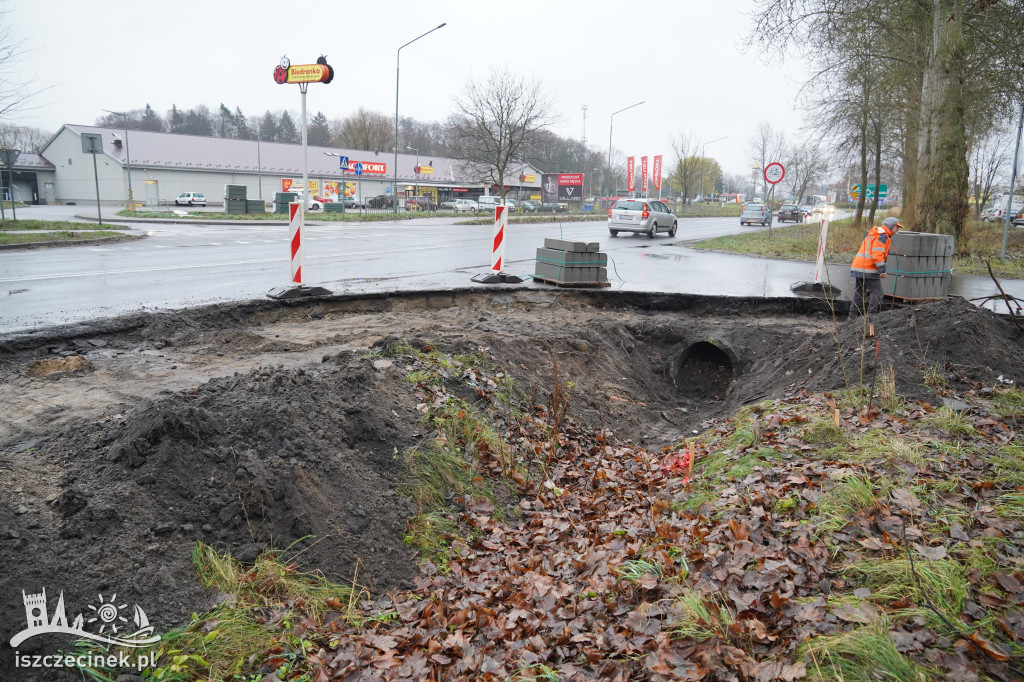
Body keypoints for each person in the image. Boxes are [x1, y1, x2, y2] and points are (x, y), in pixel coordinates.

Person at [849, 216, 902, 318]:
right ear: (890, 226)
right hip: (869, 268)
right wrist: (882, 270)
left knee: (860, 292)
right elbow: (877, 254)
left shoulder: (874, 234)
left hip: (858, 267)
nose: (898, 229)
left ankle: (852, 316)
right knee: (877, 292)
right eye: (897, 227)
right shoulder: (882, 236)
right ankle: (871, 317)